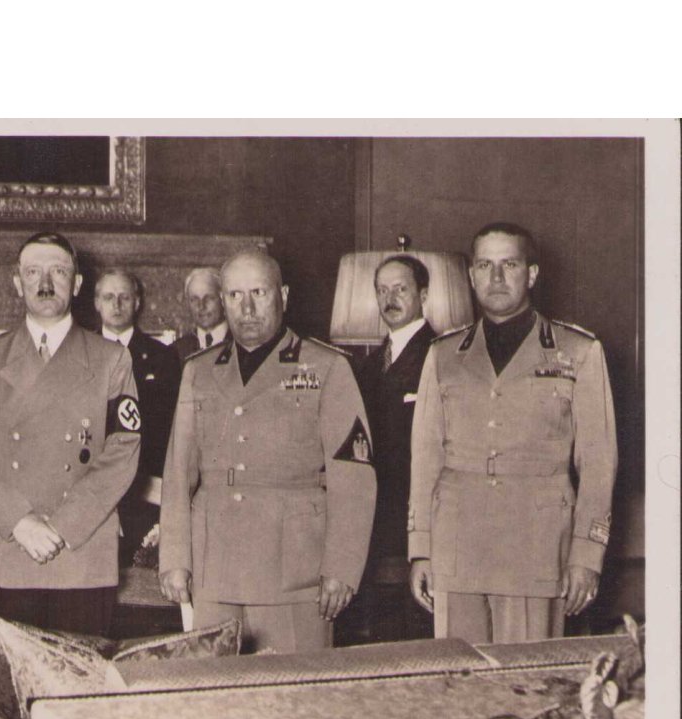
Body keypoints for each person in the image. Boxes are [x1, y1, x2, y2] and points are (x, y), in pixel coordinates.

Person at [159, 248, 376, 653]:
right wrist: (174, 557)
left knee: (292, 686)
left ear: (284, 296)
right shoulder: (198, 371)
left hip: (294, 571)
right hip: (214, 567)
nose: (247, 308)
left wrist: (342, 567)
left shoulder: (326, 367)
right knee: (214, 686)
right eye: (235, 295)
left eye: (258, 292)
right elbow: (177, 474)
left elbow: (354, 479)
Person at [408, 222, 617, 642]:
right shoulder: (443, 354)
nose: (497, 277)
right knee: (456, 674)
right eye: (485, 265)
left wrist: (586, 554)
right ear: (471, 276)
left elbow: (598, 463)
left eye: (510, 264)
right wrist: (421, 549)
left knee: (528, 675)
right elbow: (426, 457)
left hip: (536, 549)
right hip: (457, 548)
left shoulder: (578, 352)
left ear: (532, 274)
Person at [0, 232, 141, 637]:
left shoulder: (111, 359)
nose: (45, 283)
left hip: (80, 551)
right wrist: (19, 522)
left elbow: (123, 450)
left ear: (77, 284)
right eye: (33, 272)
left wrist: (63, 526)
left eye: (58, 271)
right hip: (3, 548)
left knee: (79, 674)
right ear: (17, 283)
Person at [346, 254, 437, 643]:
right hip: (374, 529)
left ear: (424, 295)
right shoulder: (367, 366)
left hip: (416, 527)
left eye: (400, 289)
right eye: (382, 290)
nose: (390, 299)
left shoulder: (440, 356)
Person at [93, 268, 182, 566]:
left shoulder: (163, 357)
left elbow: (172, 428)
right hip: (92, 491)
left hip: (145, 491)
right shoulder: (80, 354)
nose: (117, 305)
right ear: (96, 303)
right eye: (109, 297)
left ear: (138, 302)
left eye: (124, 297)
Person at [172, 267, 229, 362]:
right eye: (194, 299)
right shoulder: (176, 351)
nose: (201, 306)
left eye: (209, 298)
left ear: (223, 299)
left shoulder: (243, 344)